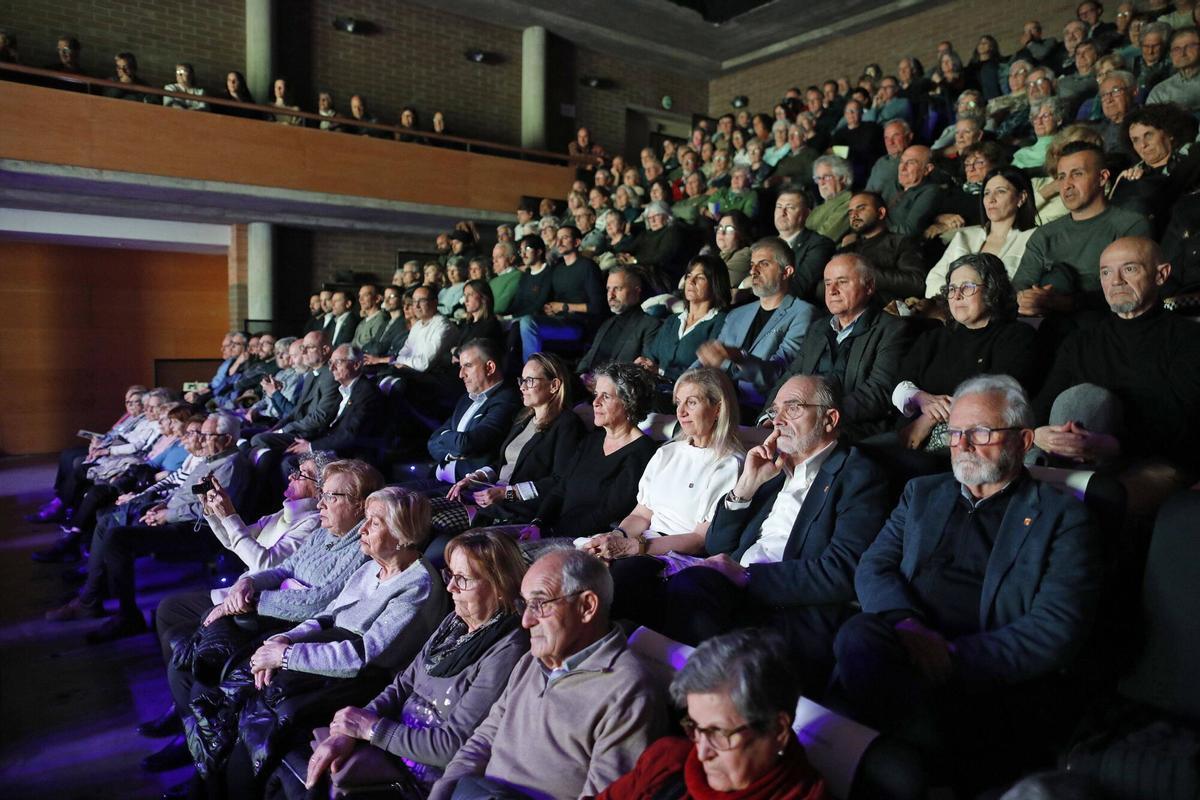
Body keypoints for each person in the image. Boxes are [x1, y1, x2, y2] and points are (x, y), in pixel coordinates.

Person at [832, 375, 1102, 793]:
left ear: (1023, 440)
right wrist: (906, 623)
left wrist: (951, 657)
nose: (963, 445)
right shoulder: (921, 493)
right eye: (956, 432)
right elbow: (873, 566)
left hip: (978, 674)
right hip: (898, 645)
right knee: (859, 636)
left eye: (980, 432)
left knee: (858, 652)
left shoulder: (1062, 518)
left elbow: (1055, 628)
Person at [628, 376, 890, 689]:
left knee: (690, 588)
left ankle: (685, 696)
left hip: (787, 602)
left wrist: (747, 577)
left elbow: (841, 571)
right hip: (733, 587)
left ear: (829, 419)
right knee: (642, 583)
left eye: (793, 408)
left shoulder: (859, 475)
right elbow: (717, 543)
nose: (777, 420)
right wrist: (746, 487)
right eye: (775, 410)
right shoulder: (773, 468)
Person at [209, 486, 450, 800]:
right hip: (323, 655)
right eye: (366, 519)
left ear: (403, 536)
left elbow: (363, 655)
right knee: (234, 699)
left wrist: (286, 656)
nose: (362, 529)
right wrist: (286, 637)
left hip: (360, 680)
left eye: (375, 523)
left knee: (256, 716)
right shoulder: (371, 567)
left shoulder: (418, 584)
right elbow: (328, 615)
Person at [294, 531, 529, 798]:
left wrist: (371, 729)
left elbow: (451, 745)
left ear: (500, 588)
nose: (451, 588)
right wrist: (348, 731)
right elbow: (403, 684)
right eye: (450, 575)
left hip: (417, 782)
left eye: (463, 579)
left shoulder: (509, 649)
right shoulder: (455, 623)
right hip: (384, 751)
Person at [428, 549, 668, 800]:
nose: (526, 621)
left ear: (586, 606)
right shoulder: (531, 661)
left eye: (539, 604)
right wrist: (443, 791)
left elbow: (603, 795)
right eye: (524, 605)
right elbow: (482, 740)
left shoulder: (628, 693)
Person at [47, 413, 251, 643]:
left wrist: (168, 514)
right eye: (201, 434)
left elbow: (213, 508)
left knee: (117, 538)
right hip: (179, 519)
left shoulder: (230, 465)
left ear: (227, 439)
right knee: (111, 523)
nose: (202, 440)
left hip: (198, 531)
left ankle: (125, 615)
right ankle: (92, 594)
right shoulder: (211, 459)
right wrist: (163, 505)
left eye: (207, 435)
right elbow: (187, 493)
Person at [1032, 237, 1200, 510]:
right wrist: (1040, 434)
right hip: (1073, 459)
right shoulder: (1081, 342)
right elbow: (1042, 404)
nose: (1116, 281)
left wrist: (1112, 445)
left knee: (1100, 498)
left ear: (1161, 275)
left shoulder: (1188, 339)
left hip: (1156, 459)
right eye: (1106, 272)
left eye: (1129, 269)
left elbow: (1182, 423)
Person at [597, 630, 827, 800]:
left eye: (718, 732)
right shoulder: (666, 761)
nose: (702, 753)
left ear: (778, 730)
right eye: (695, 727)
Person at [582, 367, 743, 561]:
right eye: (679, 402)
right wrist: (616, 537)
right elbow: (641, 515)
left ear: (718, 408)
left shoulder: (729, 464)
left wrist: (633, 547)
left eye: (691, 403)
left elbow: (700, 539)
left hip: (676, 555)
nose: (681, 412)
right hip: (642, 543)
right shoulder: (667, 452)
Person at [895, 254, 1038, 451]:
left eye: (967, 287)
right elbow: (898, 386)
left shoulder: (1017, 337)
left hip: (973, 445)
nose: (957, 296)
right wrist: (921, 399)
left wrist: (928, 419)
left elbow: (996, 396)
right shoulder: (933, 338)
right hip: (908, 438)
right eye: (952, 289)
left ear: (992, 290)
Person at [766, 255, 912, 440]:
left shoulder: (891, 329)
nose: (832, 291)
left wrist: (820, 419)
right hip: (800, 425)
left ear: (869, 286)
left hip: (853, 432)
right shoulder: (818, 328)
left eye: (842, 282)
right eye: (828, 283)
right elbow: (791, 375)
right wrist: (769, 415)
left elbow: (879, 391)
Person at [516, 362, 658, 540]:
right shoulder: (592, 440)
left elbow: (609, 511)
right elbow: (560, 490)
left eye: (606, 397)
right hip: (553, 531)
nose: (595, 403)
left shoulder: (642, 452)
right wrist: (538, 523)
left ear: (629, 403)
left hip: (589, 541)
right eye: (596, 395)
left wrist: (554, 534)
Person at [447, 353, 586, 531]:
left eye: (530, 381)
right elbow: (504, 463)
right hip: (490, 496)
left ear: (554, 385)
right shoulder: (524, 418)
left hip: (516, 509)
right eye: (522, 380)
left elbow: (559, 481)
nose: (522, 387)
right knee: (419, 509)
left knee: (435, 522)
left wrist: (507, 493)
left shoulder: (567, 423)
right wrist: (475, 477)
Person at [1013, 142, 1152, 314]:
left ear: (1102, 177)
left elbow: (1132, 288)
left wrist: (1066, 303)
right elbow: (1020, 287)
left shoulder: (1129, 225)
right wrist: (1028, 299)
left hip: (1105, 318)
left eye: (1077, 174)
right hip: (1045, 319)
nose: (1067, 185)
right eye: (1061, 177)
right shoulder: (1044, 234)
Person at [695, 237, 816, 410]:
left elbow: (779, 374)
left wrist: (738, 357)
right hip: (718, 402)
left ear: (787, 271)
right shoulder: (737, 314)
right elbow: (707, 360)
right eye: (752, 264)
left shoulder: (803, 313)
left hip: (760, 407)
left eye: (763, 264)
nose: (753, 271)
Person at [202, 450, 327, 574]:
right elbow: (232, 540)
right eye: (295, 471)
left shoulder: (314, 523)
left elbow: (265, 566)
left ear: (320, 490)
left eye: (302, 474)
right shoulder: (282, 513)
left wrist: (229, 515)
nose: (291, 477)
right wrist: (210, 509)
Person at [423, 339, 522, 490]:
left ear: (490, 367)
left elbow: (467, 444)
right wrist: (454, 451)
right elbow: (432, 442)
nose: (461, 374)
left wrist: (448, 441)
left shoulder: (507, 400)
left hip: (466, 487)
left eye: (468, 366)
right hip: (439, 476)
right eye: (460, 367)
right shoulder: (466, 399)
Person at [925, 169, 1039, 296]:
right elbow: (934, 279)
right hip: (952, 305)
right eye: (986, 193)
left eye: (1001, 191)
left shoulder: (1034, 239)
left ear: (1021, 197)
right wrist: (960, 297)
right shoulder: (965, 236)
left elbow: (1025, 288)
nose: (991, 199)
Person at [516, 225, 606, 362]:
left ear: (577, 242)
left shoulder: (588, 266)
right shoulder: (558, 269)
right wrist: (550, 309)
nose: (559, 242)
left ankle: (531, 370)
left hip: (580, 324)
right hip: (560, 320)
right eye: (558, 238)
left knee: (528, 322)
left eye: (565, 238)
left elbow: (597, 306)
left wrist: (563, 306)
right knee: (520, 324)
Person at [639, 255, 731, 384]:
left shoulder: (722, 322)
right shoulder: (672, 320)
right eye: (689, 276)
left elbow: (706, 371)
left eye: (700, 277)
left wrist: (660, 371)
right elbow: (651, 355)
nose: (691, 281)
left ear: (715, 284)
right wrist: (644, 363)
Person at [575, 267, 661, 385]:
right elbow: (589, 356)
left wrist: (604, 384)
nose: (611, 295)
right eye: (608, 289)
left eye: (617, 288)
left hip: (618, 389)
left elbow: (644, 369)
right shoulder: (607, 323)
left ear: (636, 291)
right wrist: (582, 374)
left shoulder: (650, 325)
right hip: (587, 386)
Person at [887, 146, 945, 237]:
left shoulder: (930, 191)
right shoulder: (892, 184)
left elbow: (909, 230)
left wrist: (875, 230)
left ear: (927, 169)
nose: (902, 168)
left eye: (910, 163)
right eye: (901, 162)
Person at [1146, 26, 1200, 111]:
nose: (1182, 53)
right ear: (1170, 54)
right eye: (1176, 49)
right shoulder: (1160, 91)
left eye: (1190, 46)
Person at [806, 155, 853, 242]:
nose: (821, 183)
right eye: (818, 178)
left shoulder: (849, 202)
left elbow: (824, 237)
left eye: (826, 177)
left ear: (842, 178)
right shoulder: (821, 206)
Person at [866, 119, 914, 205]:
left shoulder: (915, 161)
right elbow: (868, 192)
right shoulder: (880, 162)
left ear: (909, 137)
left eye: (895, 136)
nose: (890, 142)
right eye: (886, 138)